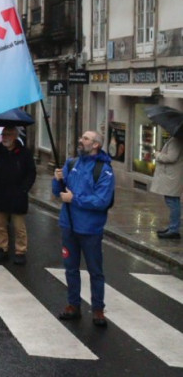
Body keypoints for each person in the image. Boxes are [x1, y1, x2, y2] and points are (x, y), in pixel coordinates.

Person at [54, 131, 115, 327]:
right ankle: (73, 305)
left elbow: (102, 200)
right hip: (69, 226)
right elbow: (58, 192)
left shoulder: (103, 170)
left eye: (86, 138)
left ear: (96, 145)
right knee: (70, 268)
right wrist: (57, 180)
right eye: (81, 137)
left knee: (95, 270)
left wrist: (75, 199)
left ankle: (98, 308)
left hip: (90, 229)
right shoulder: (72, 164)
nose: (81, 140)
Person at [0, 126, 37, 265]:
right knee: (0, 225)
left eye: (8, 135)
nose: (5, 137)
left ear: (15, 136)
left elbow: (31, 173)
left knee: (18, 226)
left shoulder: (24, 153)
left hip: (17, 194)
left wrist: (24, 190)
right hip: (0, 193)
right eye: (3, 134)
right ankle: (2, 248)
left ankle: (20, 251)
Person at [151, 136, 183, 239]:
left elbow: (171, 157)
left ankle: (174, 229)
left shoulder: (176, 140)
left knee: (173, 202)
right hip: (172, 176)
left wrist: (157, 154)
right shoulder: (176, 139)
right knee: (173, 201)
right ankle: (172, 227)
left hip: (171, 176)